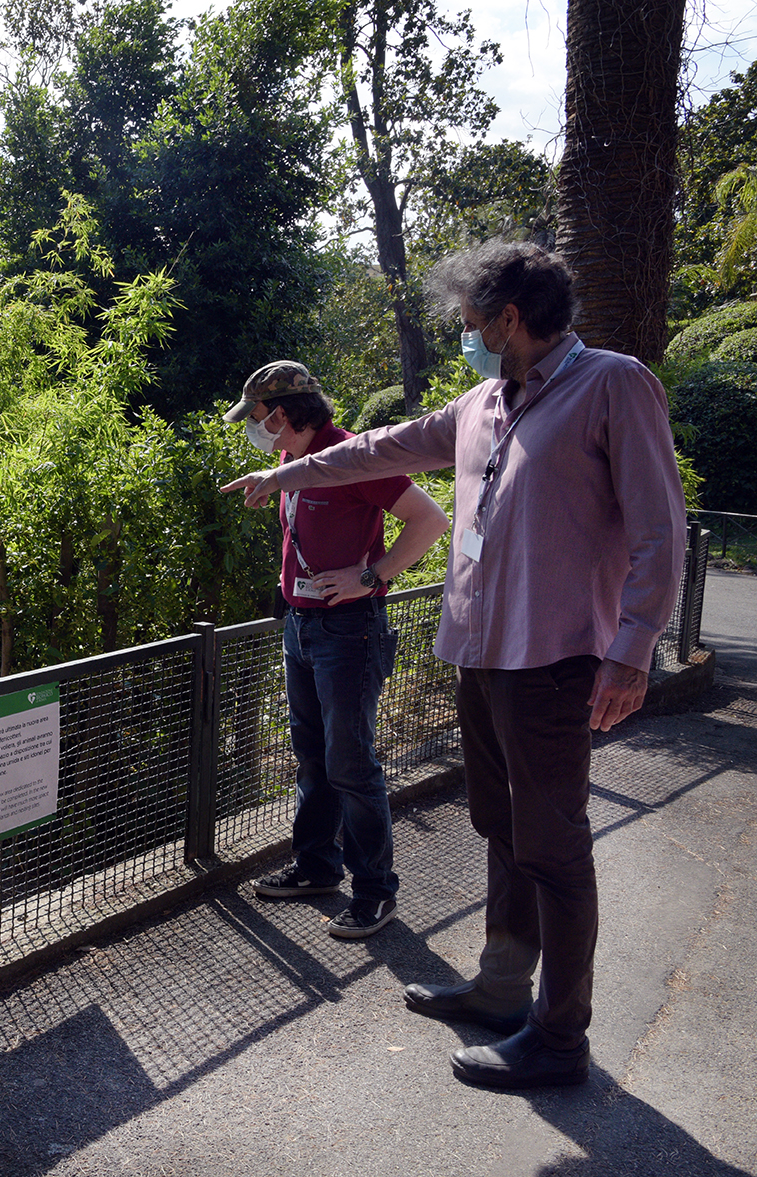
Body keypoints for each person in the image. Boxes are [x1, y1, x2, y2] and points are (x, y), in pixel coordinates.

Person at [222, 242, 686, 1089]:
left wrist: (634, 648)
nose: (464, 337)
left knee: (554, 844)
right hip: (480, 652)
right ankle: (502, 991)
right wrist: (284, 470)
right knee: (500, 826)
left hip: (556, 659)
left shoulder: (613, 384)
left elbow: (662, 529)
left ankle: (558, 1038)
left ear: (510, 319)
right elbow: (382, 448)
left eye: (471, 324)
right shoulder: (482, 402)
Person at [223, 362, 448, 939]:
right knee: (312, 756)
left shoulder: (355, 455)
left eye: (256, 418)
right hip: (302, 628)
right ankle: (318, 868)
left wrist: (372, 575)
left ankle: (376, 891)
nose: (254, 428)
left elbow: (430, 519)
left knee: (351, 763)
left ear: (281, 414)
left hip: (349, 631)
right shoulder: (290, 461)